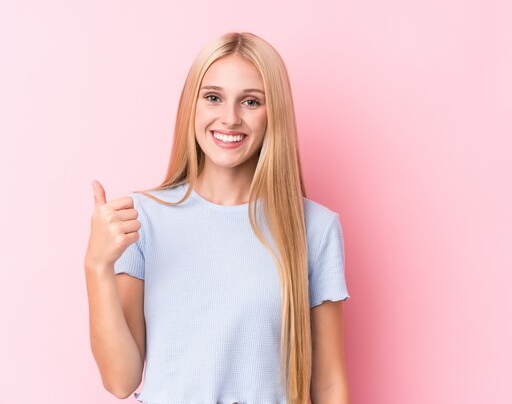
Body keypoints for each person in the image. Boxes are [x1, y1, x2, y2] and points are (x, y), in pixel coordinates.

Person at [84, 31, 351, 404]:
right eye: (213, 97)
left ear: (274, 112)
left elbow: (328, 383)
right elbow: (120, 380)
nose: (230, 118)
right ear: (192, 105)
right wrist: (97, 265)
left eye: (251, 102)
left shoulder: (315, 228)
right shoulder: (143, 219)